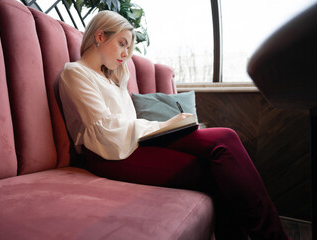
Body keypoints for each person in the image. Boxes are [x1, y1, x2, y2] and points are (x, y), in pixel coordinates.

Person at [58, 10, 289, 240]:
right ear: (99, 36)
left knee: (224, 146)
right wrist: (161, 127)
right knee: (223, 144)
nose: (126, 53)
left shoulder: (114, 78)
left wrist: (163, 128)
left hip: (132, 145)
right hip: (107, 156)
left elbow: (125, 125)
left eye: (128, 47)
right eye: (122, 43)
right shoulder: (75, 73)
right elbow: (106, 132)